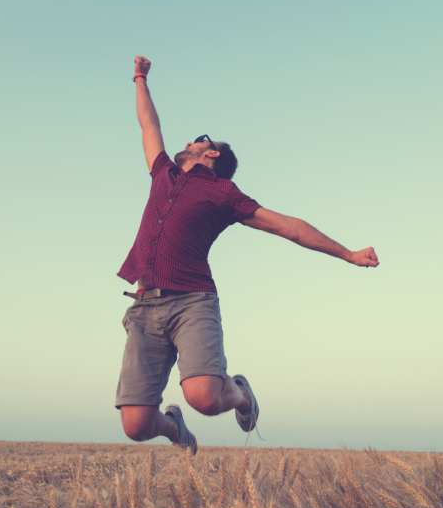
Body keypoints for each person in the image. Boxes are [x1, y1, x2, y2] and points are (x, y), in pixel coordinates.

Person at [116, 56, 379, 454]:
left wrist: (347, 253)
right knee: (135, 425)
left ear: (213, 154)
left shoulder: (224, 194)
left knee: (204, 396)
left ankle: (242, 394)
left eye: (199, 138)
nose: (190, 141)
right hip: (144, 307)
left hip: (191, 301)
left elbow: (288, 226)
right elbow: (148, 125)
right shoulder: (163, 173)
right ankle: (175, 430)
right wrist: (140, 78)